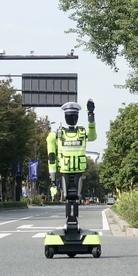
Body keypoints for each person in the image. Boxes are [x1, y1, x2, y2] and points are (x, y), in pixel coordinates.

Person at [46, 99, 96, 234]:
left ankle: (74, 221)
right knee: (68, 196)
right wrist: (53, 179)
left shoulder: (81, 133)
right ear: (65, 116)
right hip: (65, 170)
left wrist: (91, 116)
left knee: (76, 196)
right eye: (69, 116)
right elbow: (51, 157)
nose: (72, 118)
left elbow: (92, 136)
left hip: (79, 170)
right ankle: (69, 220)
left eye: (74, 116)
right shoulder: (57, 135)